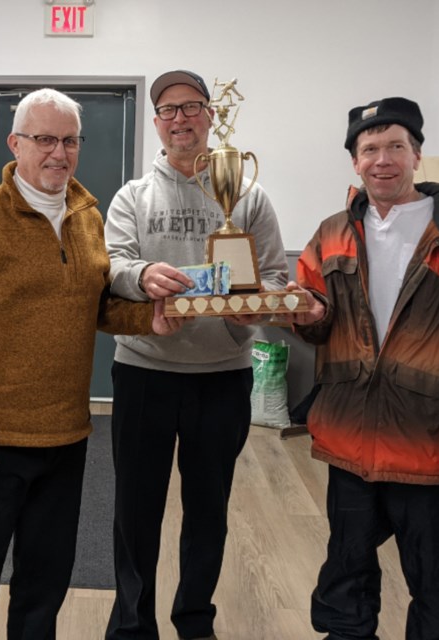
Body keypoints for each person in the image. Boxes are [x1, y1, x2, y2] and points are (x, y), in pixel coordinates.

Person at [0, 88, 182, 640]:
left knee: (44, 588)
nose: (57, 153)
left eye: (69, 140)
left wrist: (147, 321)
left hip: (66, 438)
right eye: (44, 140)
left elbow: (95, 306)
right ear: (16, 143)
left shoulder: (87, 217)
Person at [281, 97, 439, 640]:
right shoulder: (331, 234)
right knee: (345, 576)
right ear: (355, 161)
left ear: (417, 155)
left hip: (428, 443)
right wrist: (306, 314)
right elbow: (312, 322)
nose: (382, 159)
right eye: (370, 149)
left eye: (395, 146)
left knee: (437, 588)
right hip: (349, 440)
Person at [102, 70, 288, 640]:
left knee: (209, 509)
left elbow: (276, 275)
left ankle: (195, 619)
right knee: (136, 513)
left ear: (210, 116)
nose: (180, 118)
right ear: (157, 124)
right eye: (168, 110)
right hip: (143, 372)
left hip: (222, 375)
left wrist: (256, 311)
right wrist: (142, 274)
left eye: (190, 107)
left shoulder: (249, 196)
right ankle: (133, 625)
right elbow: (111, 266)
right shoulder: (133, 196)